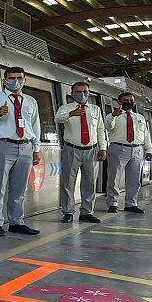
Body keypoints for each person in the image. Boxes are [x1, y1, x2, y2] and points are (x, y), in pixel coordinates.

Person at [0, 66, 43, 235]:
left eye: (19, 78)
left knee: (19, 187)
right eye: (12, 78)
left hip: (26, 146)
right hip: (2, 145)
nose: (16, 81)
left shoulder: (30, 101)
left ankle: (16, 221)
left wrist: (36, 148)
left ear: (24, 80)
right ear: (4, 81)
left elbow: (35, 127)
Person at [55, 82, 107, 223]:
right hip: (72, 149)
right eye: (78, 92)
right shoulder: (65, 108)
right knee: (68, 182)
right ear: (72, 94)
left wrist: (103, 148)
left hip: (92, 150)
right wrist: (71, 114)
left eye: (85, 92)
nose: (82, 94)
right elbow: (57, 119)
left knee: (90, 182)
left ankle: (87, 212)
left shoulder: (95, 110)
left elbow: (100, 130)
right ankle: (68, 212)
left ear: (89, 93)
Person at [103, 92, 152, 214]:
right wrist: (113, 116)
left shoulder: (139, 118)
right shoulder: (113, 116)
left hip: (137, 149)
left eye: (131, 100)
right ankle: (113, 203)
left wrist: (149, 149)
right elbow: (107, 127)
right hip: (118, 148)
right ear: (119, 102)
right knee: (114, 177)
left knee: (134, 178)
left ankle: (131, 203)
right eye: (126, 100)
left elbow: (146, 135)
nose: (129, 102)